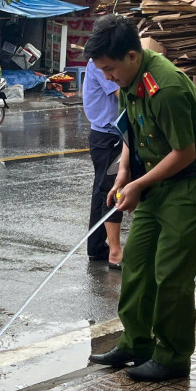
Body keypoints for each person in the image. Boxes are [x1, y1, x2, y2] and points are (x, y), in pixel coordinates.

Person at [85, 15, 196, 382]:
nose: (107, 77)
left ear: (132, 56)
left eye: (110, 69)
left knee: (171, 275)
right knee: (136, 264)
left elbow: (185, 153)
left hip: (192, 186)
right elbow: (132, 131)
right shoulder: (130, 81)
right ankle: (136, 342)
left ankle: (173, 356)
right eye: (101, 70)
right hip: (155, 185)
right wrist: (124, 174)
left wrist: (138, 184)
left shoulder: (167, 89)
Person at [82, 57, 123, 269]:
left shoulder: (102, 60)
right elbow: (121, 93)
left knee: (101, 190)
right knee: (111, 190)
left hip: (107, 135)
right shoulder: (100, 63)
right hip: (107, 136)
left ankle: (96, 247)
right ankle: (115, 253)